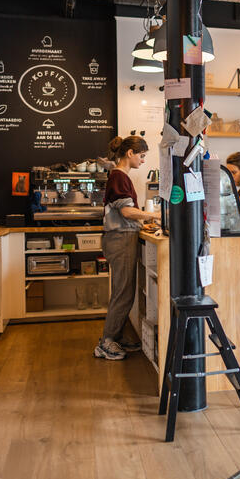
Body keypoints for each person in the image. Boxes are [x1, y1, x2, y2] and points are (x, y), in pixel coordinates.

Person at [95, 135, 159, 361]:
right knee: (123, 292)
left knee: (124, 290)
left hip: (121, 237)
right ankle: (106, 342)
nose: (143, 160)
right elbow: (127, 212)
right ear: (130, 153)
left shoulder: (118, 175)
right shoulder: (120, 177)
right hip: (120, 238)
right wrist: (156, 215)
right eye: (141, 156)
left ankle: (116, 336)